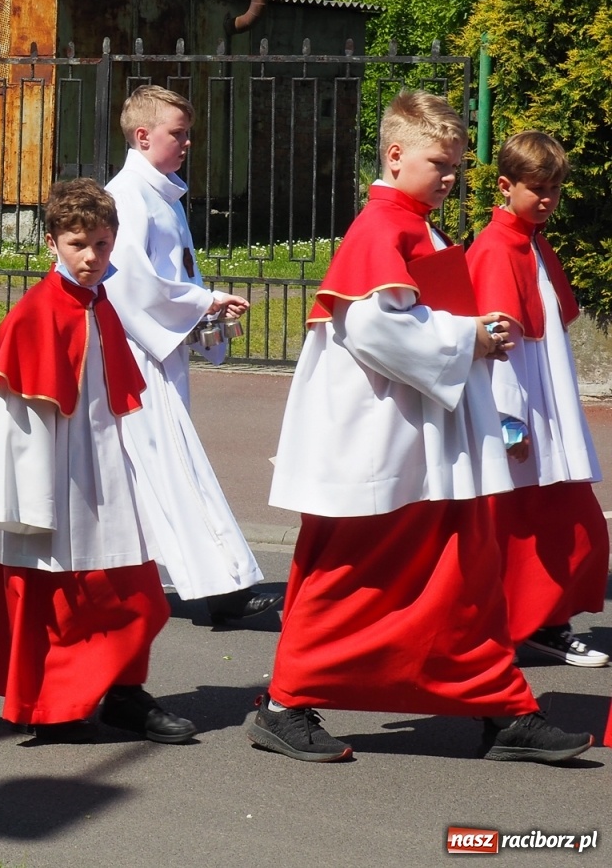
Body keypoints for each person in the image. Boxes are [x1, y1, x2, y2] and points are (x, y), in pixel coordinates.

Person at [251, 91, 592, 764]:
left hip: (425, 437)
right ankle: (285, 703)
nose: (449, 178)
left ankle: (503, 709)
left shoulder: (414, 225)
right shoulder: (383, 228)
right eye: (439, 163)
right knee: (352, 574)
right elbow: (375, 328)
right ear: (396, 153)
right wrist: (470, 336)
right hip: (386, 441)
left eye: (457, 167)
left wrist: (468, 336)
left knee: (464, 576)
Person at [0, 177, 197, 745]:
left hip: (108, 469)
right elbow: (15, 425)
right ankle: (59, 703)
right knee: (68, 595)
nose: (91, 256)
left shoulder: (102, 305)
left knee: (135, 590)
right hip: (54, 478)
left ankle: (120, 692)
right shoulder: (36, 313)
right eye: (78, 244)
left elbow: (119, 398)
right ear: (52, 244)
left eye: (100, 242)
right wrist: (30, 502)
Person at [103, 85, 273, 624]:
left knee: (155, 471)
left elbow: (172, 272)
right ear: (143, 135)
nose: (186, 143)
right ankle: (218, 590)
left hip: (160, 349)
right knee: (172, 468)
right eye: (177, 133)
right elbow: (128, 282)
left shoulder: (159, 193)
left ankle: (145, 583)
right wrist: (203, 301)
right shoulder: (128, 195)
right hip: (137, 357)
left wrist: (205, 315)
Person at [468, 132, 608, 667]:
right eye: (538, 189)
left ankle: (543, 622)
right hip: (522, 414)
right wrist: (509, 423)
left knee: (572, 527)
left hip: (546, 408)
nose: (548, 199)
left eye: (555, 189)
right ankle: (531, 624)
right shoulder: (497, 248)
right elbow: (499, 346)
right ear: (506, 186)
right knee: (534, 528)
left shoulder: (531, 241)